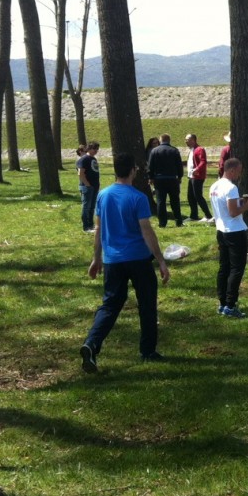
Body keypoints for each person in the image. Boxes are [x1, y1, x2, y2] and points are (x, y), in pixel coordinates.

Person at [80, 153, 170, 372]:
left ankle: (92, 343)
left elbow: (99, 229)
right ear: (132, 170)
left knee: (110, 305)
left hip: (113, 261)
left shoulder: (103, 195)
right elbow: (146, 231)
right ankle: (147, 350)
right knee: (147, 304)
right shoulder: (138, 197)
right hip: (138, 259)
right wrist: (161, 260)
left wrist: (97, 258)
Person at [210, 157, 248, 318]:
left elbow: (227, 207)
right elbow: (233, 212)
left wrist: (241, 202)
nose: (239, 174)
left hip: (221, 230)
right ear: (231, 170)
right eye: (238, 171)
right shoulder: (231, 188)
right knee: (236, 269)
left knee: (224, 268)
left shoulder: (214, 186)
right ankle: (230, 304)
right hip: (234, 231)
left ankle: (223, 302)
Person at [148, 133, 184, 228]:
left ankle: (162, 222)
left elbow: (151, 166)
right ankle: (178, 220)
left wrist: (150, 177)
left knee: (161, 201)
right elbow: (179, 165)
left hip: (159, 179)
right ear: (169, 140)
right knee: (175, 200)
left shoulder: (155, 151)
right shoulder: (174, 150)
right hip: (172, 179)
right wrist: (180, 176)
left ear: (161, 140)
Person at [184, 133, 213, 222]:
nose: (186, 141)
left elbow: (203, 161)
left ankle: (208, 216)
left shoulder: (199, 149)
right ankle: (194, 216)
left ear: (193, 140)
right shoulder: (191, 150)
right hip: (191, 177)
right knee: (190, 196)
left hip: (197, 177)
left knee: (198, 196)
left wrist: (197, 169)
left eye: (187, 140)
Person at [77, 141, 100, 232]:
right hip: (87, 187)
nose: (96, 151)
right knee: (86, 207)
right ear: (89, 148)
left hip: (94, 186)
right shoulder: (84, 159)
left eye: (97, 149)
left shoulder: (93, 159)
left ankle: (91, 225)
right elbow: (80, 173)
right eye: (94, 149)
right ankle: (86, 227)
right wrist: (87, 184)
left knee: (92, 207)